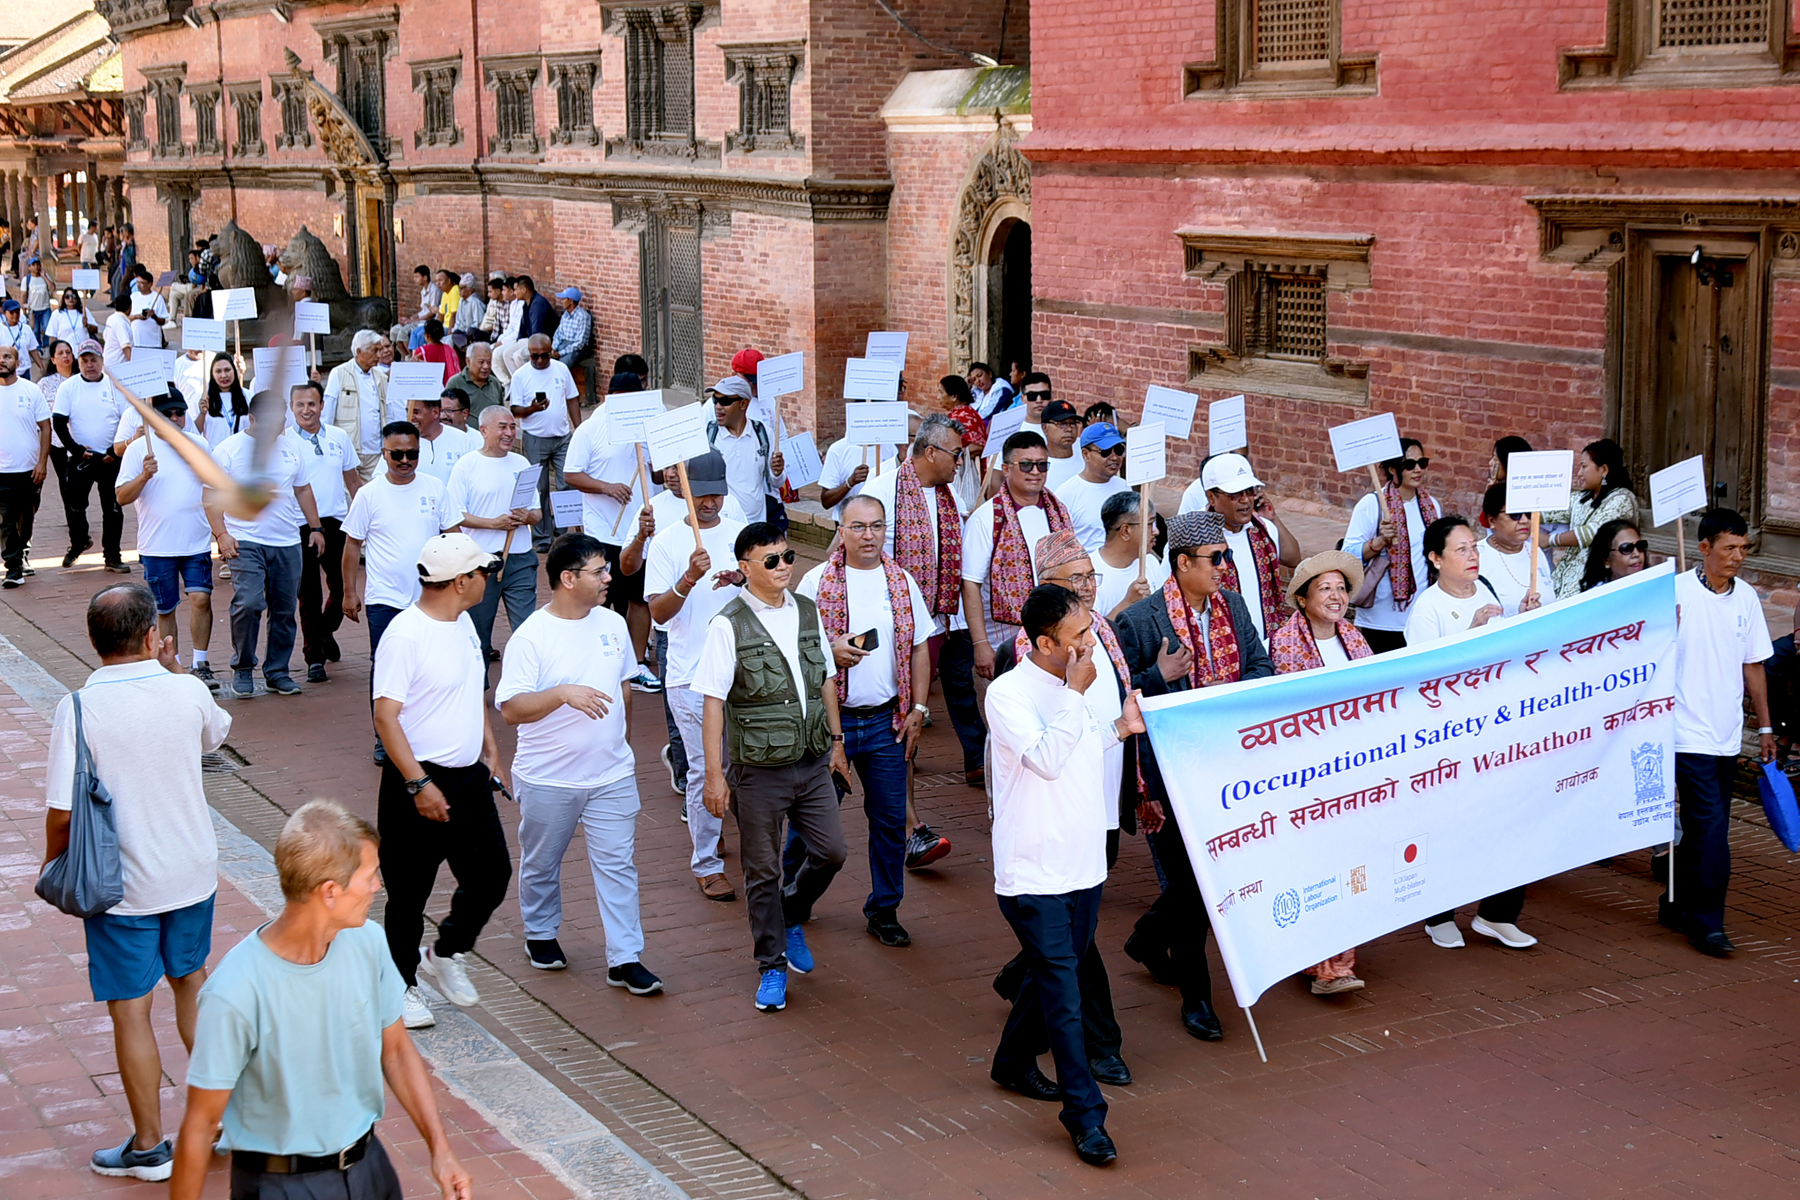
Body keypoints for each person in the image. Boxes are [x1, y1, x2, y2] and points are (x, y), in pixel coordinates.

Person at [170, 801, 472, 1200]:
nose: (377, 886)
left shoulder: (369, 942)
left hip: (369, 1169)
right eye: (370, 875)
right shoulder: (235, 991)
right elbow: (200, 1126)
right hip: (282, 1185)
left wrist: (441, 1151)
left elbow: (397, 1051)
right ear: (330, 892)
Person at [45, 583, 230, 1183]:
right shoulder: (186, 691)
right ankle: (217, 1125)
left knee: (131, 1011)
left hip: (120, 884)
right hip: (192, 870)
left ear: (96, 642)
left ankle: (150, 1146)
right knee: (192, 987)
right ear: (153, 636)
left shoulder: (77, 708)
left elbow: (62, 813)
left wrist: (53, 866)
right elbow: (216, 735)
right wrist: (175, 671)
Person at [985, 582, 1143, 1167]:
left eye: (1093, 630)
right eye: (1081, 636)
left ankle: (1009, 1061)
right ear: (1044, 642)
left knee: (1061, 971)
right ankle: (1086, 1116)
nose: (1093, 644)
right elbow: (1047, 760)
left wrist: (1120, 729)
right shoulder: (1008, 695)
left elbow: (1080, 748)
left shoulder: (1084, 686)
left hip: (1084, 862)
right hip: (1034, 870)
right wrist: (1077, 696)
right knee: (1065, 993)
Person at [1115, 510, 1272, 1043]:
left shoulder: (1233, 605)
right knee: (1195, 882)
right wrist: (1159, 676)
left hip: (1226, 765)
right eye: (1216, 559)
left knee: (1200, 881)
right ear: (1182, 563)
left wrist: (1219, 705)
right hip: (1166, 772)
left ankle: (1147, 939)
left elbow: (1260, 667)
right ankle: (1197, 997)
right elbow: (1115, 693)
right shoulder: (1140, 620)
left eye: (1227, 557)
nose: (1226, 568)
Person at [498, 533, 663, 992]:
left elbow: (625, 686)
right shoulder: (532, 636)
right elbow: (511, 709)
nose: (609, 577)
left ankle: (625, 957)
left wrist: (624, 745)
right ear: (568, 579)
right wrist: (561, 695)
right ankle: (541, 931)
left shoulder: (611, 624)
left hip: (611, 774)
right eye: (599, 571)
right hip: (549, 778)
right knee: (542, 861)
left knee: (618, 865)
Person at [695, 522, 848, 1012]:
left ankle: (791, 911)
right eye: (772, 560)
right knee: (761, 871)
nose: (784, 567)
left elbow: (824, 678)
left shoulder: (807, 610)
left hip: (811, 758)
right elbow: (714, 702)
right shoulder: (728, 624)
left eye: (787, 557)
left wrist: (838, 742)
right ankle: (772, 966)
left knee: (832, 852)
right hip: (758, 769)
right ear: (745, 568)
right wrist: (715, 774)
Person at [372, 532, 510, 1029]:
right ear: (460, 582)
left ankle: (447, 951)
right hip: (417, 784)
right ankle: (400, 985)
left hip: (470, 778)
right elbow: (385, 717)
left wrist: (490, 752)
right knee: (408, 893)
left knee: (491, 876)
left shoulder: (465, 625)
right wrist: (417, 784)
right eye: (482, 573)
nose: (487, 580)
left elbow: (475, 693)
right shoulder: (405, 634)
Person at [795, 495, 933, 946]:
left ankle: (885, 909)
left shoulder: (902, 582)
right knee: (811, 821)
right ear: (841, 529)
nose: (868, 536)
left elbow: (918, 649)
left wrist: (918, 709)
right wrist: (828, 650)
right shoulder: (817, 582)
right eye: (858, 527)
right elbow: (796, 653)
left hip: (885, 722)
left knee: (891, 821)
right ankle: (794, 897)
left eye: (876, 526)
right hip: (828, 724)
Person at [1400, 514, 1539, 950]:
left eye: (1474, 547)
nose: (1472, 555)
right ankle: (1438, 913)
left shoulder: (1488, 591)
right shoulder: (1426, 609)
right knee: (1451, 824)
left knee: (1512, 817)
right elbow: (1428, 680)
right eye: (1461, 549)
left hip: (1498, 728)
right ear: (1435, 558)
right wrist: (1474, 630)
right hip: (1451, 737)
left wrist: (1523, 621)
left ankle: (1498, 914)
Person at [1666, 508, 1775, 958]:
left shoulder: (1747, 598)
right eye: (1729, 548)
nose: (1737, 557)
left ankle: (1675, 903)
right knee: (1712, 829)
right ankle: (1708, 922)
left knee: (1701, 829)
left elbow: (1754, 664)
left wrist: (1764, 724)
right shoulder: (1674, 595)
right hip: (1686, 732)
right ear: (1704, 547)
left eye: (1743, 548)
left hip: (1728, 733)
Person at [1267, 551, 1375, 994]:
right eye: (1324, 588)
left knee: (1350, 863)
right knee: (1315, 866)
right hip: (1307, 776)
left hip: (1352, 769)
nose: (1336, 596)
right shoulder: (1284, 643)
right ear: (1303, 598)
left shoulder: (1355, 638)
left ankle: (1341, 960)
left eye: (1341, 588)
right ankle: (1319, 964)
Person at [861, 413, 987, 790]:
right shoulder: (884, 491)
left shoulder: (952, 497)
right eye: (956, 454)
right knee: (906, 694)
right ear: (930, 453)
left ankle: (977, 759)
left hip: (948, 613)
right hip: (904, 620)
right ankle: (900, 762)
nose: (960, 461)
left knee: (961, 686)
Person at [646, 451, 746, 900]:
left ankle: (738, 833)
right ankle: (706, 860)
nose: (710, 503)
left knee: (743, 765)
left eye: (716, 494)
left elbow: (768, 584)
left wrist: (744, 580)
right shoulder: (667, 542)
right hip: (689, 674)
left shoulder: (738, 531)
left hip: (742, 670)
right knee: (707, 768)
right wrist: (687, 579)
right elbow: (659, 614)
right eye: (702, 494)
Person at [344, 421, 459, 755]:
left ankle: (424, 729)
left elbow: (453, 535)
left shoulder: (435, 487)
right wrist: (350, 592)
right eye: (397, 454)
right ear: (385, 453)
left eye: (412, 454)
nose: (405, 460)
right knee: (386, 668)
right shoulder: (369, 495)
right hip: (386, 600)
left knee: (431, 666)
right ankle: (385, 737)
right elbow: (352, 545)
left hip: (430, 599)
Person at [209, 398, 326, 698]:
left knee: (285, 609)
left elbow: (302, 488)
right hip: (245, 538)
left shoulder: (290, 447)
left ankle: (277, 671)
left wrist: (315, 528)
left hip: (287, 540)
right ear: (252, 419)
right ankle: (244, 667)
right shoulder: (229, 450)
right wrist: (221, 534)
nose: (278, 427)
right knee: (248, 602)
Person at [564, 372, 660, 687]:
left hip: (639, 531)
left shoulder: (648, 427)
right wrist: (606, 487)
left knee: (639, 599)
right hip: (603, 532)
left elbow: (658, 476)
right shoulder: (590, 430)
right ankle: (593, 662)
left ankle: (637, 664)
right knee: (599, 597)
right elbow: (571, 474)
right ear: (613, 397)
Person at [116, 392, 216, 680]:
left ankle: (201, 663)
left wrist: (221, 531)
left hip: (195, 541)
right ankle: (175, 667)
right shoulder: (138, 451)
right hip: (157, 546)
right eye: (167, 413)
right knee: (165, 609)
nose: (175, 418)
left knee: (201, 599)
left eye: (179, 413)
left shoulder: (200, 445)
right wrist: (143, 476)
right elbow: (122, 496)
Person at [964, 431, 1073, 680]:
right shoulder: (986, 519)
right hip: (1005, 635)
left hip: (1056, 629)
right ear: (1006, 468)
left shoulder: (1058, 511)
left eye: (1042, 464)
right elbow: (970, 584)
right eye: (1026, 464)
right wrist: (981, 643)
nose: (1035, 471)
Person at [446, 405, 539, 667]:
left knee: (527, 628)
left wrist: (527, 517)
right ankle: (477, 688)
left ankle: (528, 684)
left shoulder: (522, 464)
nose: (510, 432)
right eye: (503, 427)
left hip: (520, 557)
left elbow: (537, 512)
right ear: (484, 430)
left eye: (512, 426)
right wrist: (492, 524)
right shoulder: (467, 465)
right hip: (481, 562)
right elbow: (455, 515)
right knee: (479, 632)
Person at [1179, 452, 1303, 642]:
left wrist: (1274, 519)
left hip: (1267, 645)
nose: (1245, 500)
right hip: (1218, 649)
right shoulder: (1191, 536)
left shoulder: (1263, 529)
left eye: (1250, 491)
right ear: (1211, 497)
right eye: (1235, 494)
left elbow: (1293, 559)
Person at [288, 380, 361, 682]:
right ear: (292, 407)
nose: (306, 410)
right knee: (309, 593)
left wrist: (368, 512)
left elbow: (353, 481)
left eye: (312, 404)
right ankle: (314, 657)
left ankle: (325, 630)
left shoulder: (339, 437)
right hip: (300, 523)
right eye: (300, 405)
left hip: (336, 520)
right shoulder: (284, 441)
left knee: (344, 587)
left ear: (321, 405)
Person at [1340, 437, 1437, 653]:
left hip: (1422, 615)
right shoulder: (1373, 505)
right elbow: (1347, 555)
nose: (1418, 470)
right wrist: (1379, 542)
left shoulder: (1431, 506)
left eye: (1423, 463)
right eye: (1410, 465)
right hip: (1380, 618)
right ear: (1393, 469)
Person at [52, 340, 127, 571]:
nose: (89, 365)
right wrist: (76, 450)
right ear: (78, 362)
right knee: (74, 503)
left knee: (113, 509)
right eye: (84, 360)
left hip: (111, 457)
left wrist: (114, 453)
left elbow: (126, 421)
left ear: (102, 361)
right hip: (81, 456)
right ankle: (79, 541)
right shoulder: (69, 387)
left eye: (94, 359)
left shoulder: (115, 386)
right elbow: (59, 422)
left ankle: (112, 556)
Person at [508, 333, 581, 550]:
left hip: (562, 437)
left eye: (544, 356)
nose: (540, 360)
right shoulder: (521, 376)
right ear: (529, 354)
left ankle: (562, 531)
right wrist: (532, 408)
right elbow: (515, 409)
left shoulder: (561, 369)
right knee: (539, 489)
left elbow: (572, 399)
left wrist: (579, 429)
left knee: (567, 483)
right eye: (535, 356)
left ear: (551, 352)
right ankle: (542, 538)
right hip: (535, 438)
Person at [1544, 438, 1638, 600]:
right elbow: (1548, 512)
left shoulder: (1622, 499)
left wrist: (1550, 540)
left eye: (1584, 467)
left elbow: (1593, 533)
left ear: (1603, 470)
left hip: (1595, 579)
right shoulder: (1582, 499)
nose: (1579, 473)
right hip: (1565, 577)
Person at [0, 345, 49, 588]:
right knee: (5, 518)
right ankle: (13, 568)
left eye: (7, 357)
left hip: (29, 469)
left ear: (17, 363)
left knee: (26, 517)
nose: (2, 361)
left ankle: (21, 552)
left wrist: (42, 462)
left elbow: (46, 427)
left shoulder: (30, 391)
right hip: (2, 471)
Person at [706, 375, 783, 526]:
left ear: (743, 404)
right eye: (715, 400)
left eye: (725, 401)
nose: (718, 406)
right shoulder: (707, 436)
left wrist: (777, 472)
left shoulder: (763, 433)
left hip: (756, 524)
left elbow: (776, 483)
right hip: (723, 524)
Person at [323, 329, 396, 480]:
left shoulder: (380, 378)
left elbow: (388, 412)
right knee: (350, 497)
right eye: (375, 350)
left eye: (380, 350)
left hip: (376, 451)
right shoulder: (339, 373)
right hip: (348, 449)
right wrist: (326, 444)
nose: (379, 355)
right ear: (359, 352)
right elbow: (327, 412)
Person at [1054, 423, 1131, 553]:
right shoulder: (1066, 494)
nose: (1114, 457)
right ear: (1086, 454)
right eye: (1105, 451)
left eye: (1118, 450)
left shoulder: (1125, 487)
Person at [1092, 490, 1167, 621]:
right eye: (1150, 524)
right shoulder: (1089, 574)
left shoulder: (1150, 562)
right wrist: (1127, 603)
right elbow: (1091, 636)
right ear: (1125, 531)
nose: (1156, 531)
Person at [1478, 483, 1552, 616]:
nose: (1524, 520)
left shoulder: (1535, 551)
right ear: (1492, 521)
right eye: (1515, 514)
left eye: (1528, 513)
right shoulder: (1476, 557)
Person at [818, 405, 900, 521]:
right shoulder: (838, 450)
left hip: (881, 522)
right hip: (848, 523)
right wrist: (850, 482)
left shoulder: (890, 448)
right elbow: (826, 501)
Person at [409, 393, 477, 484]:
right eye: (408, 412)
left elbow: (473, 479)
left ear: (435, 412)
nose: (410, 417)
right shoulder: (401, 441)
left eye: (416, 412)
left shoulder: (462, 439)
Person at [197, 353, 251, 449]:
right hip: (215, 456)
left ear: (234, 371)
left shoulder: (247, 395)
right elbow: (195, 430)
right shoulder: (205, 398)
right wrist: (202, 413)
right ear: (212, 375)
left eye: (227, 370)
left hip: (241, 452)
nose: (223, 375)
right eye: (218, 371)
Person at [1578, 519, 1648, 592]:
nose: (1636, 554)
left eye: (1640, 546)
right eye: (1626, 548)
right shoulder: (1594, 597)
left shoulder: (1657, 586)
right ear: (1606, 560)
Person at [447, 341, 505, 426]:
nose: (486, 366)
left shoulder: (494, 383)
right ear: (468, 361)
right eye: (481, 362)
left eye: (489, 362)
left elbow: (501, 411)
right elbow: (447, 416)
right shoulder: (455, 383)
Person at [1040, 400, 1086, 493]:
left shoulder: (1086, 452)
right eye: (1062, 424)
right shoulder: (1037, 465)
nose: (1069, 429)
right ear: (1045, 427)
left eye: (1073, 423)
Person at [0, 299, 42, 380]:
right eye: (11, 312)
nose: (15, 314)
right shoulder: (1, 329)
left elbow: (33, 349)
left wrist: (41, 366)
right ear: (5, 313)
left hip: (24, 370)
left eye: (17, 312)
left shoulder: (26, 329)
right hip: (6, 371)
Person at [551, 287, 592, 369]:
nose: (561, 301)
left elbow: (579, 343)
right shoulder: (565, 315)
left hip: (576, 349)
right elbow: (558, 334)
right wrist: (554, 348)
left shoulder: (583, 317)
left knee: (562, 366)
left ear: (571, 301)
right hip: (563, 344)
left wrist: (560, 353)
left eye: (564, 299)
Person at [45, 287, 92, 352]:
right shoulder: (57, 314)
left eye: (73, 296)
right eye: (67, 297)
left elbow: (95, 329)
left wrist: (87, 325)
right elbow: (52, 335)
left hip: (83, 351)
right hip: (65, 352)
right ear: (63, 298)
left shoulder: (84, 311)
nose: (71, 299)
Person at [415, 318, 461, 384]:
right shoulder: (449, 349)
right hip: (449, 387)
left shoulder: (421, 351)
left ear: (427, 335)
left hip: (429, 387)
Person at [516, 274, 556, 340]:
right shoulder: (526, 305)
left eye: (516, 290)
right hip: (529, 340)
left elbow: (536, 332)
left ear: (524, 290)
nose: (515, 293)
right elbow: (522, 329)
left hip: (540, 343)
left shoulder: (537, 304)